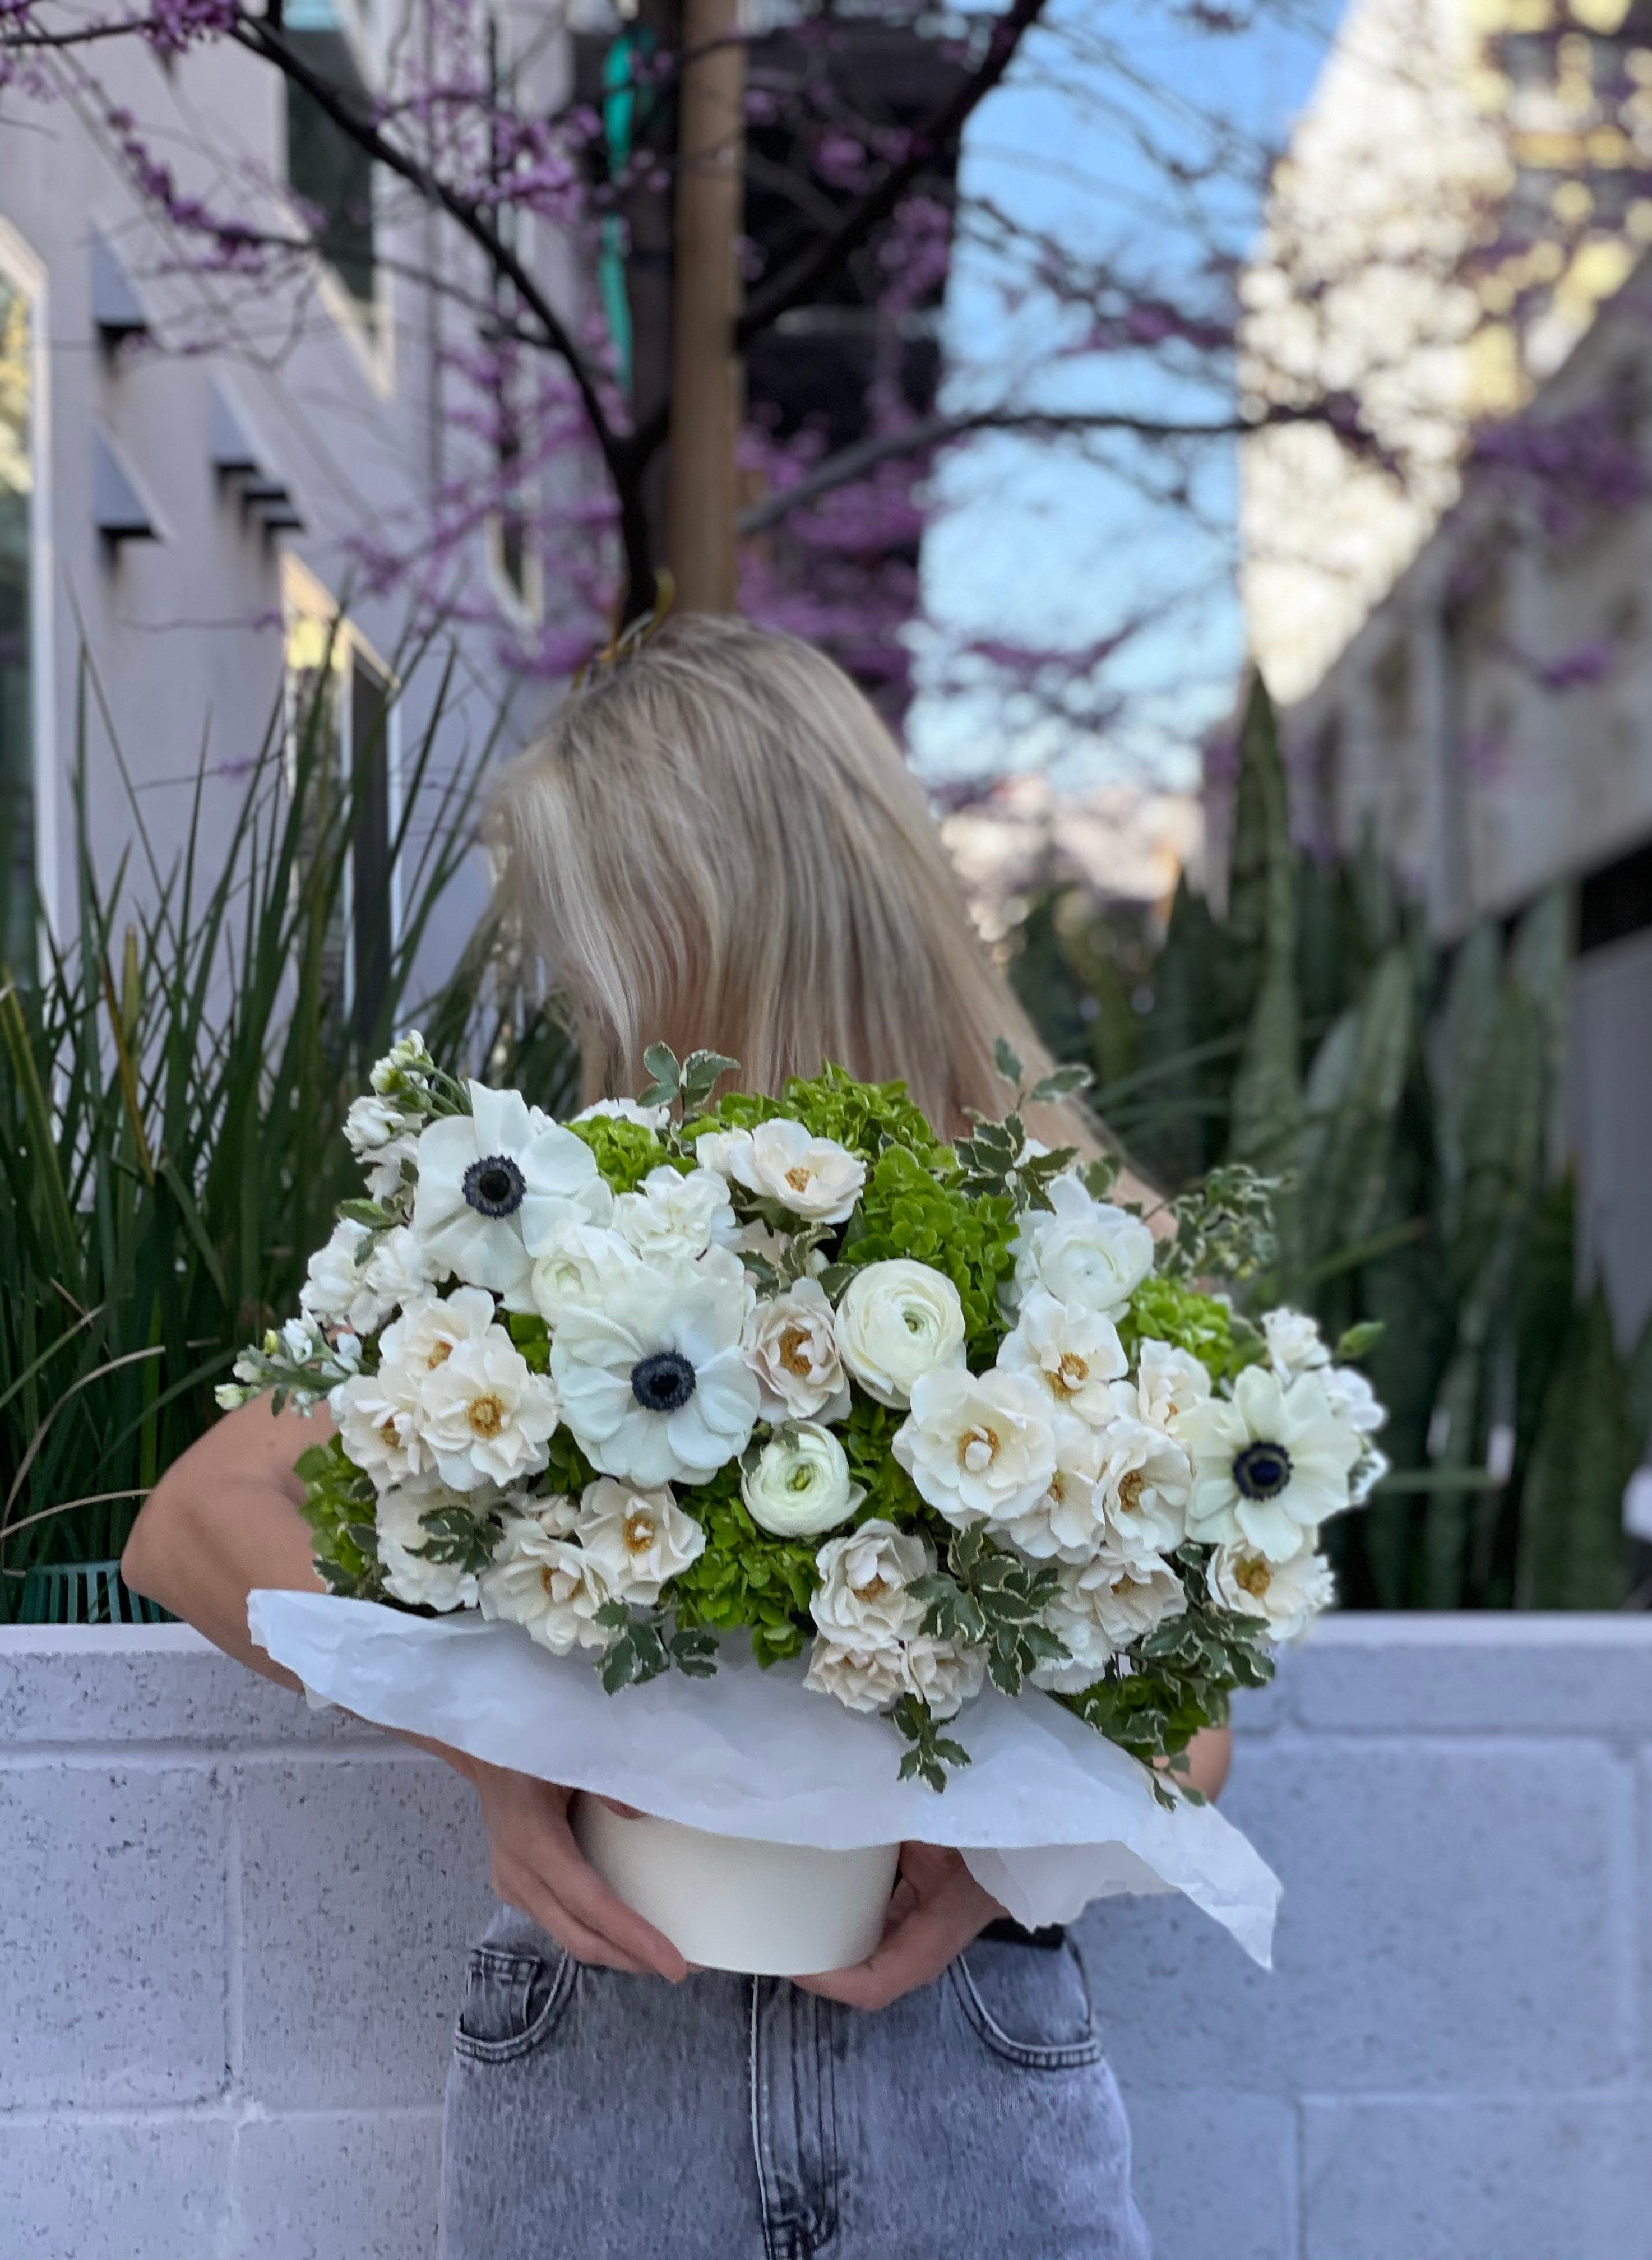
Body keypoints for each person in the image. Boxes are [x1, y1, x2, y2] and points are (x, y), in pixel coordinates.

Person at [124, 613, 1230, 2260]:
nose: (575, 980)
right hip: (603, 2059)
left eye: (595, 926)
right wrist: (502, 1759)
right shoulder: (554, 1232)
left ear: (710, 910)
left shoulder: (1076, 1244)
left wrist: (989, 1876)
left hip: (961, 2059)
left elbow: (1196, 1717)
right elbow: (198, 1518)